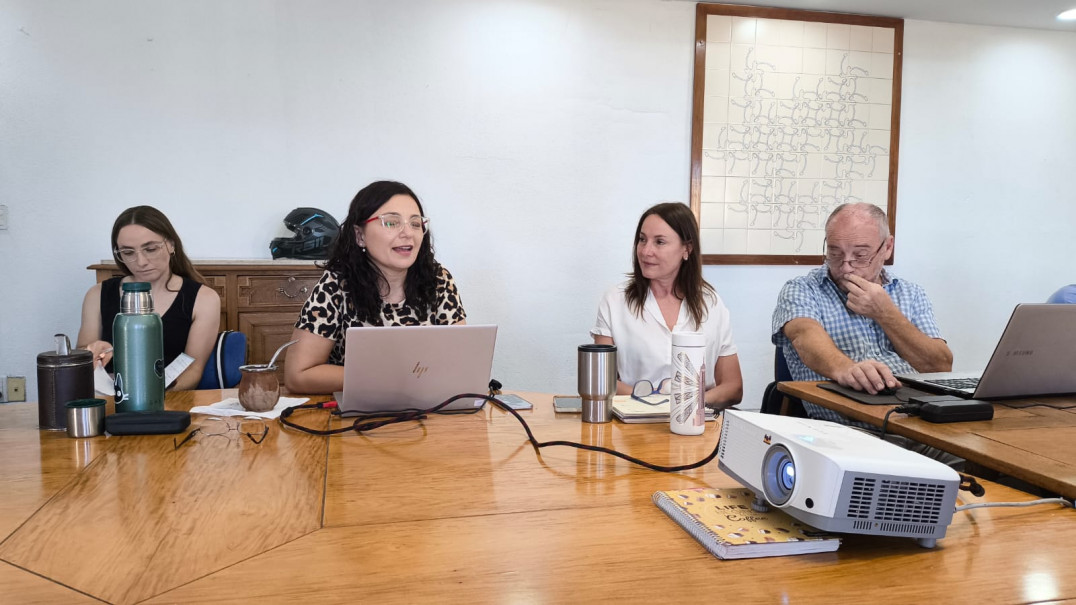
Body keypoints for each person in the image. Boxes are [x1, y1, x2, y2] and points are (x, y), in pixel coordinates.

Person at [771, 202, 953, 423]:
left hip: (919, 421)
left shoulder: (910, 293)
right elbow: (805, 338)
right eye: (835, 253)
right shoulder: (803, 289)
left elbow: (940, 366)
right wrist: (848, 370)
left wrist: (885, 313)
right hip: (849, 429)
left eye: (860, 255)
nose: (846, 267)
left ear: (887, 247)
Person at [285, 181, 467, 394]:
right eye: (391, 223)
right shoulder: (336, 284)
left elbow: (459, 364)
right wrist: (388, 377)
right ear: (359, 236)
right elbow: (298, 375)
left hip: (426, 407)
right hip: (359, 411)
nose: (408, 233)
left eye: (416, 223)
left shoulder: (438, 280)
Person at [591, 202, 743, 410]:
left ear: (686, 249)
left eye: (659, 242)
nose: (646, 251)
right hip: (636, 421)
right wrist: (658, 402)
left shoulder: (711, 302)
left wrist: (689, 402)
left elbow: (733, 387)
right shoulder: (615, 299)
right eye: (642, 240)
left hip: (699, 420)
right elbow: (602, 380)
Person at [77, 206, 222, 391]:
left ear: (170, 244)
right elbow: (82, 356)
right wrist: (93, 352)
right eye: (128, 253)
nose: (141, 262)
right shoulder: (96, 295)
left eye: (151, 249)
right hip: (110, 401)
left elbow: (193, 370)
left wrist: (147, 397)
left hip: (169, 401)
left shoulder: (203, 299)